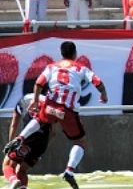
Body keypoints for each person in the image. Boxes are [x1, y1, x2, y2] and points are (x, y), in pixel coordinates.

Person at [3, 41, 108, 189]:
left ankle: (21, 137)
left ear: (61, 53)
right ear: (74, 54)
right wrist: (103, 93)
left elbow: (39, 83)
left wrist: (34, 101)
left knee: (40, 119)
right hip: (67, 111)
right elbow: (97, 81)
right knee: (80, 142)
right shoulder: (81, 68)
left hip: (50, 106)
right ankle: (69, 170)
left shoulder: (51, 67)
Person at [2, 91, 50, 189]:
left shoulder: (24, 100)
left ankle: (13, 181)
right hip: (42, 143)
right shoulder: (49, 104)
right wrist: (43, 148)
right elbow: (53, 132)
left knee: (7, 164)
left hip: (29, 139)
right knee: (22, 170)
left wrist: (11, 143)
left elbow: (14, 124)